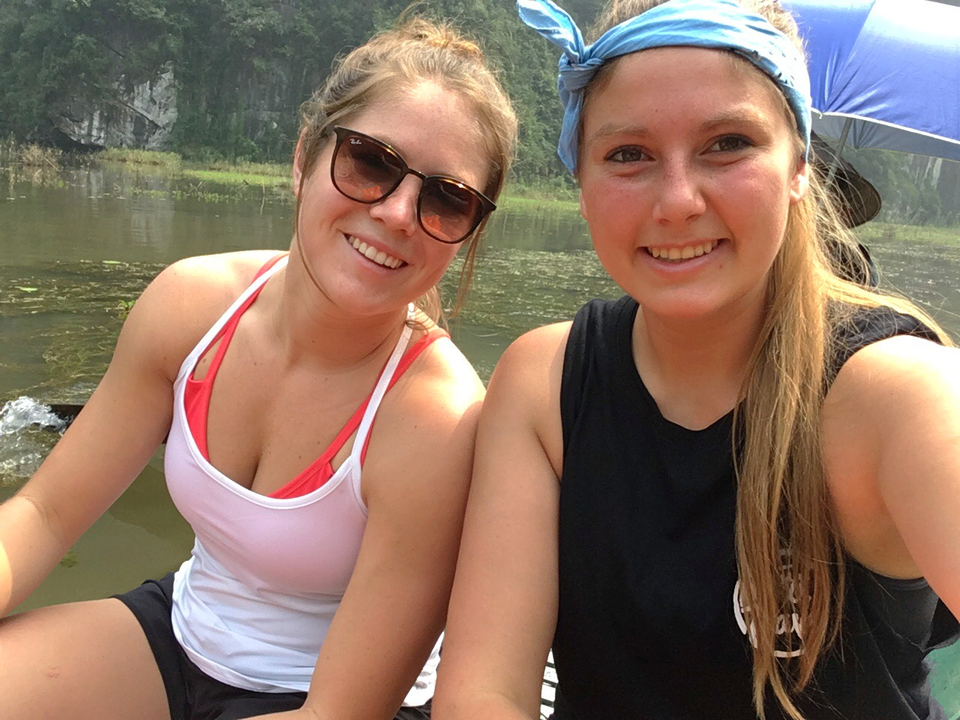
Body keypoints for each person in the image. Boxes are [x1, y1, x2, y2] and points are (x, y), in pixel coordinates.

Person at [433, 1, 960, 719]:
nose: (678, 201)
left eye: (728, 143)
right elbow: (485, 692)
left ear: (800, 166)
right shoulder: (546, 384)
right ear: (580, 184)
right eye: (628, 155)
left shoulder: (898, 395)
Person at [0, 16, 516, 720]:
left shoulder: (435, 417)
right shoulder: (192, 309)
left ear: (466, 232)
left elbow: (338, 712)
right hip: (183, 632)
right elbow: (45, 512)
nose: (398, 213)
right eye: (371, 161)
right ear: (305, 158)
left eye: (446, 199)